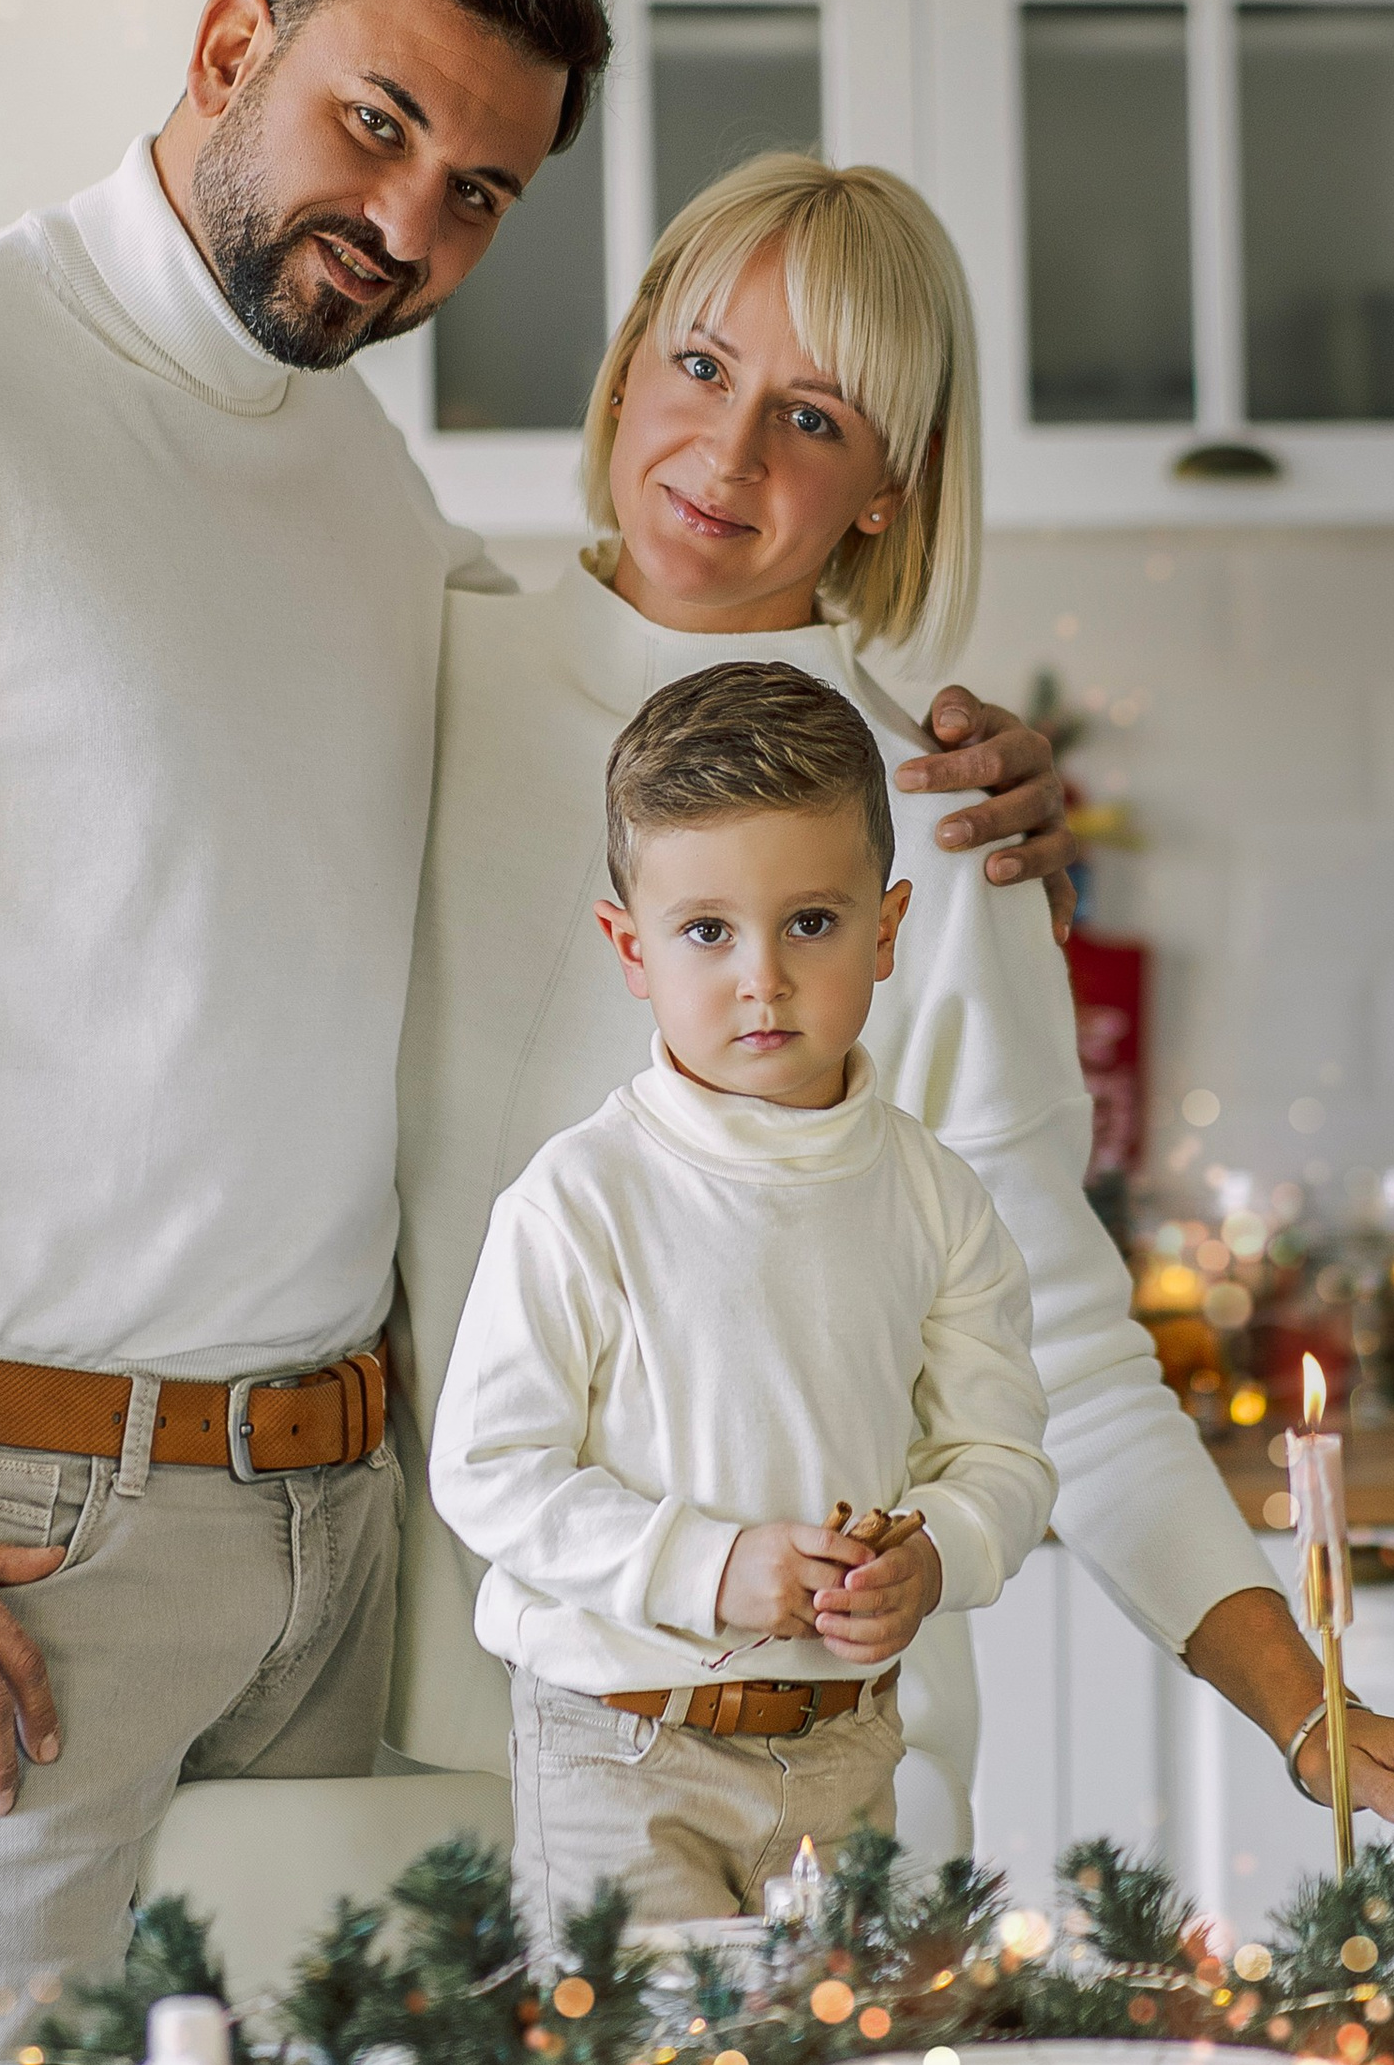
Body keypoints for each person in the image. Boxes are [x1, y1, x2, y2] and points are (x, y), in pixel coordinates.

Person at [0, 0, 1071, 2065]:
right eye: (374, 125)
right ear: (230, 49)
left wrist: (942, 757)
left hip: (345, 1542)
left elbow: (628, 705)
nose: (409, 224)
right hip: (2, 1541)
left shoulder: (356, 480)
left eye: (478, 193)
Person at [395, 152, 1394, 1891]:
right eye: (702, 366)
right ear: (629, 357)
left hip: (829, 1775)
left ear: (891, 485)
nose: (726, 456)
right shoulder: (417, 687)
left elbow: (1060, 1357)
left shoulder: (938, 828)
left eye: (817, 418)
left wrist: (1305, 1703)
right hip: (420, 1734)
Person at [431, 661, 1055, 1941]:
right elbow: (488, 1471)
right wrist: (714, 1567)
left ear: (886, 932)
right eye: (707, 932)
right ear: (630, 949)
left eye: (809, 925)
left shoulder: (935, 1199)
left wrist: (933, 1551)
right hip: (619, 1756)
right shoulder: (579, 1199)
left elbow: (1001, 1455)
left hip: (845, 1750)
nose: (761, 979)